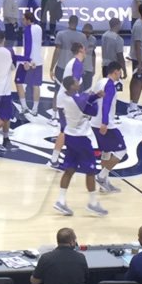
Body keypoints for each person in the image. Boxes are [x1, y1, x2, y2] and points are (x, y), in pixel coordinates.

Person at [53, 77, 107, 217]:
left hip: (69, 135)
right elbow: (93, 111)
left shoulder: (65, 97)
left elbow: (85, 97)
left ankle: (61, 200)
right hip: (81, 138)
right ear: (72, 87)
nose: (79, 83)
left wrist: (94, 95)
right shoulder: (78, 101)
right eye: (76, 82)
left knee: (69, 169)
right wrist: (96, 99)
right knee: (90, 171)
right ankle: (93, 203)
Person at [92, 60, 127, 192]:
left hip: (94, 122)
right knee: (121, 150)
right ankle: (101, 176)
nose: (120, 74)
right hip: (105, 124)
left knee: (106, 152)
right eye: (120, 72)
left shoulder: (100, 82)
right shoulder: (110, 85)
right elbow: (106, 104)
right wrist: (105, 122)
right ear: (116, 71)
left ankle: (104, 183)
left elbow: (92, 98)